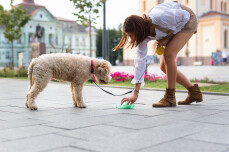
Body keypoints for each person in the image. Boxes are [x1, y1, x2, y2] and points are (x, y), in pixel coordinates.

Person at [113, 1, 203, 107]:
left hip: (187, 20)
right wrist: (135, 94)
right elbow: (139, 63)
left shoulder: (160, 17)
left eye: (131, 35)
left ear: (139, 30)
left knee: (168, 55)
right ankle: (194, 93)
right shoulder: (142, 37)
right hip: (174, 25)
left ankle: (170, 98)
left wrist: (169, 37)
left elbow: (185, 16)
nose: (131, 38)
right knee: (163, 67)